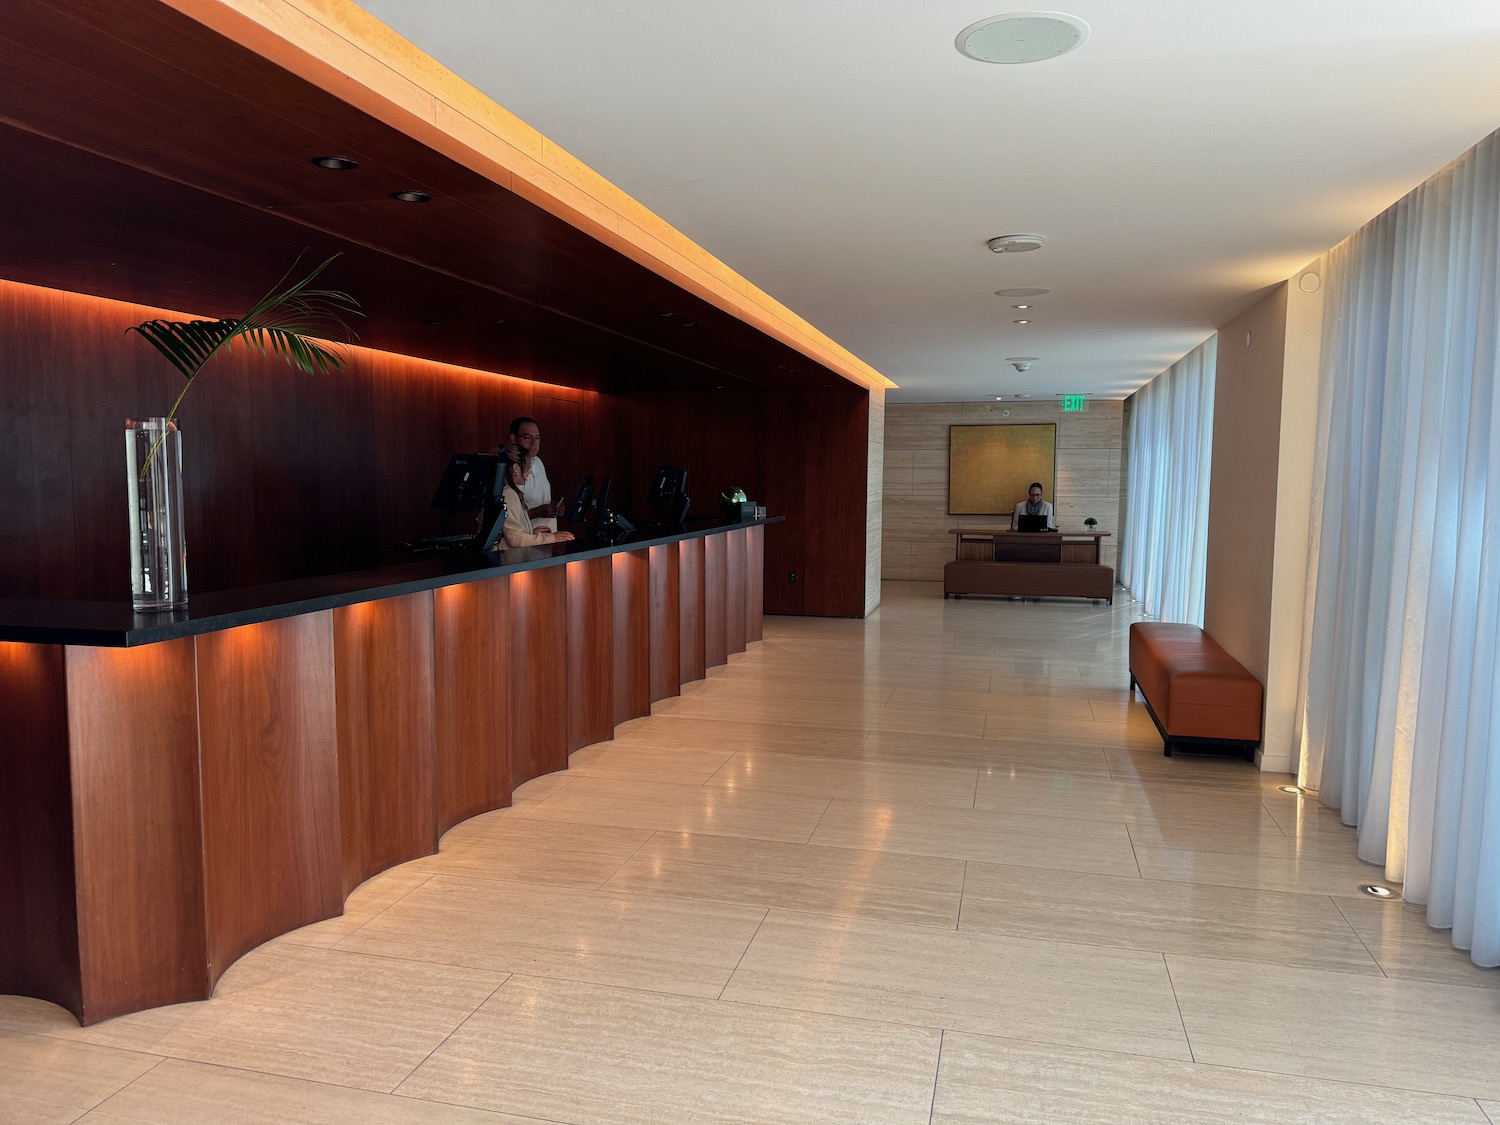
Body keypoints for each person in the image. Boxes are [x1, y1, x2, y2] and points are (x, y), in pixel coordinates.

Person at [498, 450, 574, 548]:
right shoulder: (508, 493)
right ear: (516, 468)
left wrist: (530, 533)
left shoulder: (510, 492)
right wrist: (552, 538)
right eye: (528, 467)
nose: (529, 471)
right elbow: (514, 538)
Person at [505, 416, 566, 533]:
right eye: (528, 437)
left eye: (537, 438)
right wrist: (535, 513)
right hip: (525, 540)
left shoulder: (538, 462)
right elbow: (507, 518)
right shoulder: (507, 469)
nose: (534, 442)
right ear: (513, 438)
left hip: (547, 538)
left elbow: (537, 496)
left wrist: (553, 506)